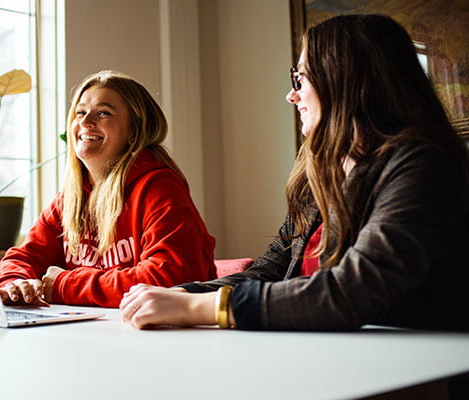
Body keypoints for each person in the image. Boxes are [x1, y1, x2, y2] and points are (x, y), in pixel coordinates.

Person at [120, 14, 469, 331]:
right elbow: (268, 271)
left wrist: (197, 306)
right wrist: (178, 294)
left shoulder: (423, 163)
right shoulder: (320, 172)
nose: (291, 95)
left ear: (343, 79)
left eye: (300, 79)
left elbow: (355, 290)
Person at [0, 70, 216, 308]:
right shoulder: (71, 199)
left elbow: (169, 279)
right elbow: (23, 257)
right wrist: (15, 283)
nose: (86, 122)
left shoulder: (160, 188)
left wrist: (64, 285)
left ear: (134, 131)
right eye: (80, 112)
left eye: (103, 113)